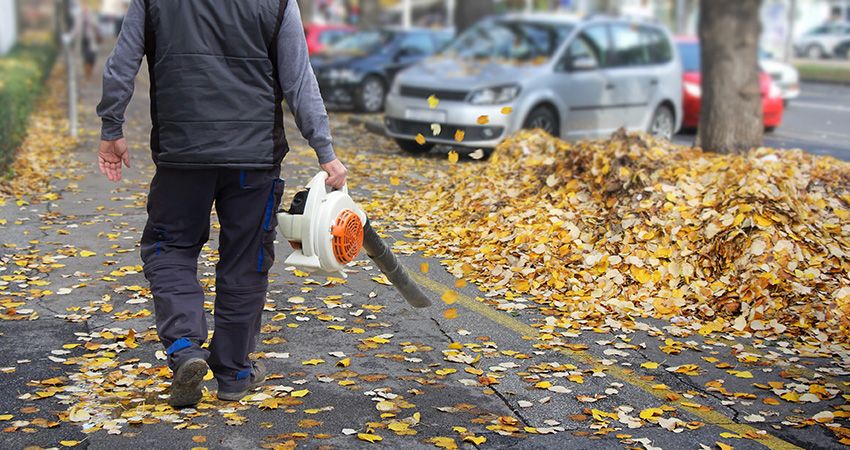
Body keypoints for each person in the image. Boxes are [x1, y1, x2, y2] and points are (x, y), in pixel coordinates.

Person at [96, 0, 348, 407]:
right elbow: (299, 80)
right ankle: (233, 373)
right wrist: (325, 151)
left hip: (183, 156)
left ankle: (185, 348)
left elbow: (121, 63)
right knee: (246, 259)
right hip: (254, 160)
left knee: (171, 248)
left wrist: (112, 126)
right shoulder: (279, 3)